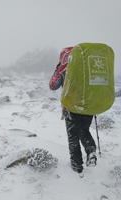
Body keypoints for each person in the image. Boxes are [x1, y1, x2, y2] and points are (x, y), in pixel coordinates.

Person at [49, 47, 97, 176]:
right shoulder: (87, 68)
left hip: (71, 108)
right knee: (84, 130)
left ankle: (77, 167)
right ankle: (91, 150)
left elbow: (53, 85)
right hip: (87, 107)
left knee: (73, 139)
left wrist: (58, 67)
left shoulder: (65, 68)